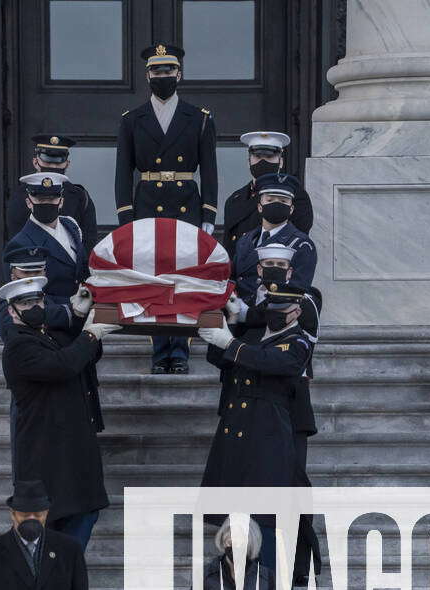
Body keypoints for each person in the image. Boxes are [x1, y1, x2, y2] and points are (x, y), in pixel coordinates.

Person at [115, 42, 218, 374]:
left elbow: (211, 170)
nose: (163, 76)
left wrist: (209, 217)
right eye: (157, 71)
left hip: (186, 205)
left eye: (169, 70)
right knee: (155, 280)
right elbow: (122, 172)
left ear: (179, 74)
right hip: (147, 205)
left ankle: (181, 351)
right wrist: (126, 217)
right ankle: (160, 351)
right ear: (147, 76)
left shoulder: (199, 118)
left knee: (184, 280)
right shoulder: (132, 120)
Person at [0, 275, 117, 550]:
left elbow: (84, 353)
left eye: (38, 300)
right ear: (11, 311)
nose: (35, 307)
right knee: (49, 535)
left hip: (72, 454)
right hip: (46, 458)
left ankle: (65, 577)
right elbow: (63, 364)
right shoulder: (18, 345)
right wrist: (91, 332)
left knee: (84, 515)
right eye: (26, 304)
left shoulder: (46, 333)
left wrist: (78, 316)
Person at [199, 285, 312, 570]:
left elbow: (270, 362)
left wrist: (231, 343)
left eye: (282, 312)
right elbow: (218, 359)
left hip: (267, 435)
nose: (275, 316)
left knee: (266, 517)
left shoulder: (297, 341)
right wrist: (233, 325)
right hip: (236, 433)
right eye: (271, 310)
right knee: (234, 515)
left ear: (296, 311)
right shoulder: (253, 335)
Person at [222, 131, 313, 258]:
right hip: (240, 272)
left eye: (269, 157)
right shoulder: (234, 200)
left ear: (280, 162)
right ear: (248, 162)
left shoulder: (296, 196)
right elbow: (228, 246)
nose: (262, 162)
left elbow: (297, 241)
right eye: (258, 157)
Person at [3, 172, 89, 303]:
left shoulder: (71, 225)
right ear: (29, 202)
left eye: (52, 199)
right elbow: (25, 298)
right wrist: (71, 307)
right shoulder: (20, 244)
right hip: (55, 319)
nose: (46, 203)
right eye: (40, 199)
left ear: (61, 201)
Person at [232, 173, 317, 305]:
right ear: (260, 207)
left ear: (291, 209)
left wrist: (250, 314)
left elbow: (295, 292)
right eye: (270, 200)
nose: (276, 205)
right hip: (236, 315)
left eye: (283, 201)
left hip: (269, 319)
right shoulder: (245, 240)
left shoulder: (302, 244)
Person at [6, 135, 97, 249]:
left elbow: (89, 240)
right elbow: (15, 238)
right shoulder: (21, 195)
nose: (53, 166)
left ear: (67, 164)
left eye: (58, 162)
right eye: (48, 162)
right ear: (35, 162)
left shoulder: (80, 196)